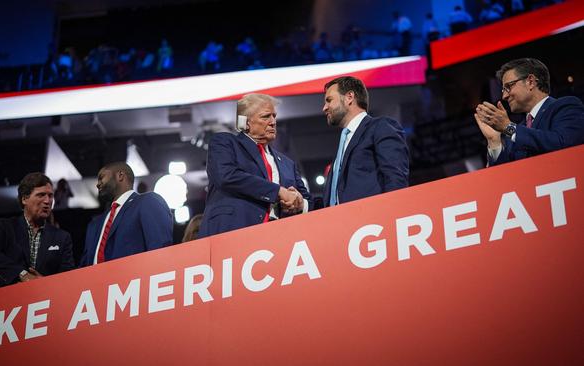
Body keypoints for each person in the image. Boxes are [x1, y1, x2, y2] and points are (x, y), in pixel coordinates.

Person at [198, 93, 312, 237]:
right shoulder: (225, 142)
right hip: (232, 234)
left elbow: (310, 201)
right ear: (245, 122)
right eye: (266, 116)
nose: (273, 122)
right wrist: (278, 192)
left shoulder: (288, 164)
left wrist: (301, 204)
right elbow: (225, 176)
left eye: (274, 116)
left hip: (281, 239)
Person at [475, 58, 584, 166]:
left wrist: (509, 128)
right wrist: (494, 141)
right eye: (503, 90)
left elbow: (564, 145)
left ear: (530, 82)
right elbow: (505, 177)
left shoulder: (566, 106)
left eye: (508, 87)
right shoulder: (517, 129)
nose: (504, 96)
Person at [322, 76, 409, 207]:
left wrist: (392, 217)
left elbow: (395, 179)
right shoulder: (342, 145)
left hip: (374, 222)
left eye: (329, 100)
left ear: (349, 97)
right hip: (341, 224)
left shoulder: (381, 127)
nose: (324, 108)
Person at [0, 173, 75, 289]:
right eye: (41, 195)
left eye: (50, 196)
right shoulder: (5, 227)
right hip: (6, 301)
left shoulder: (62, 237)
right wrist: (22, 274)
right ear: (24, 199)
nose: (47, 201)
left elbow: (68, 277)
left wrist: (44, 282)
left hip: (44, 301)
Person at [80, 162, 173, 266]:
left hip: (134, 280)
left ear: (120, 176)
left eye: (101, 177)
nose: (97, 184)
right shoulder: (95, 224)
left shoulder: (147, 202)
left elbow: (160, 248)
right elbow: (84, 265)